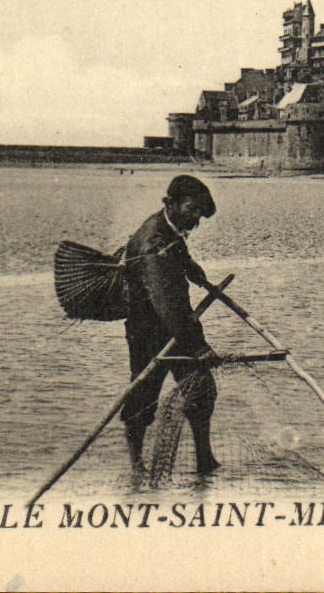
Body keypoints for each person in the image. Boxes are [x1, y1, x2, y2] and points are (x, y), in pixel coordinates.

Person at [120, 174, 221, 473]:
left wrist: (195, 272)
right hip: (148, 331)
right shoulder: (151, 240)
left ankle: (205, 459)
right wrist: (197, 345)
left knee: (201, 388)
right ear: (171, 203)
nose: (195, 219)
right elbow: (165, 303)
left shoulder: (169, 228)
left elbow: (178, 252)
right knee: (143, 398)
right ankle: (137, 464)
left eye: (199, 214)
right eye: (191, 210)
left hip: (177, 326)